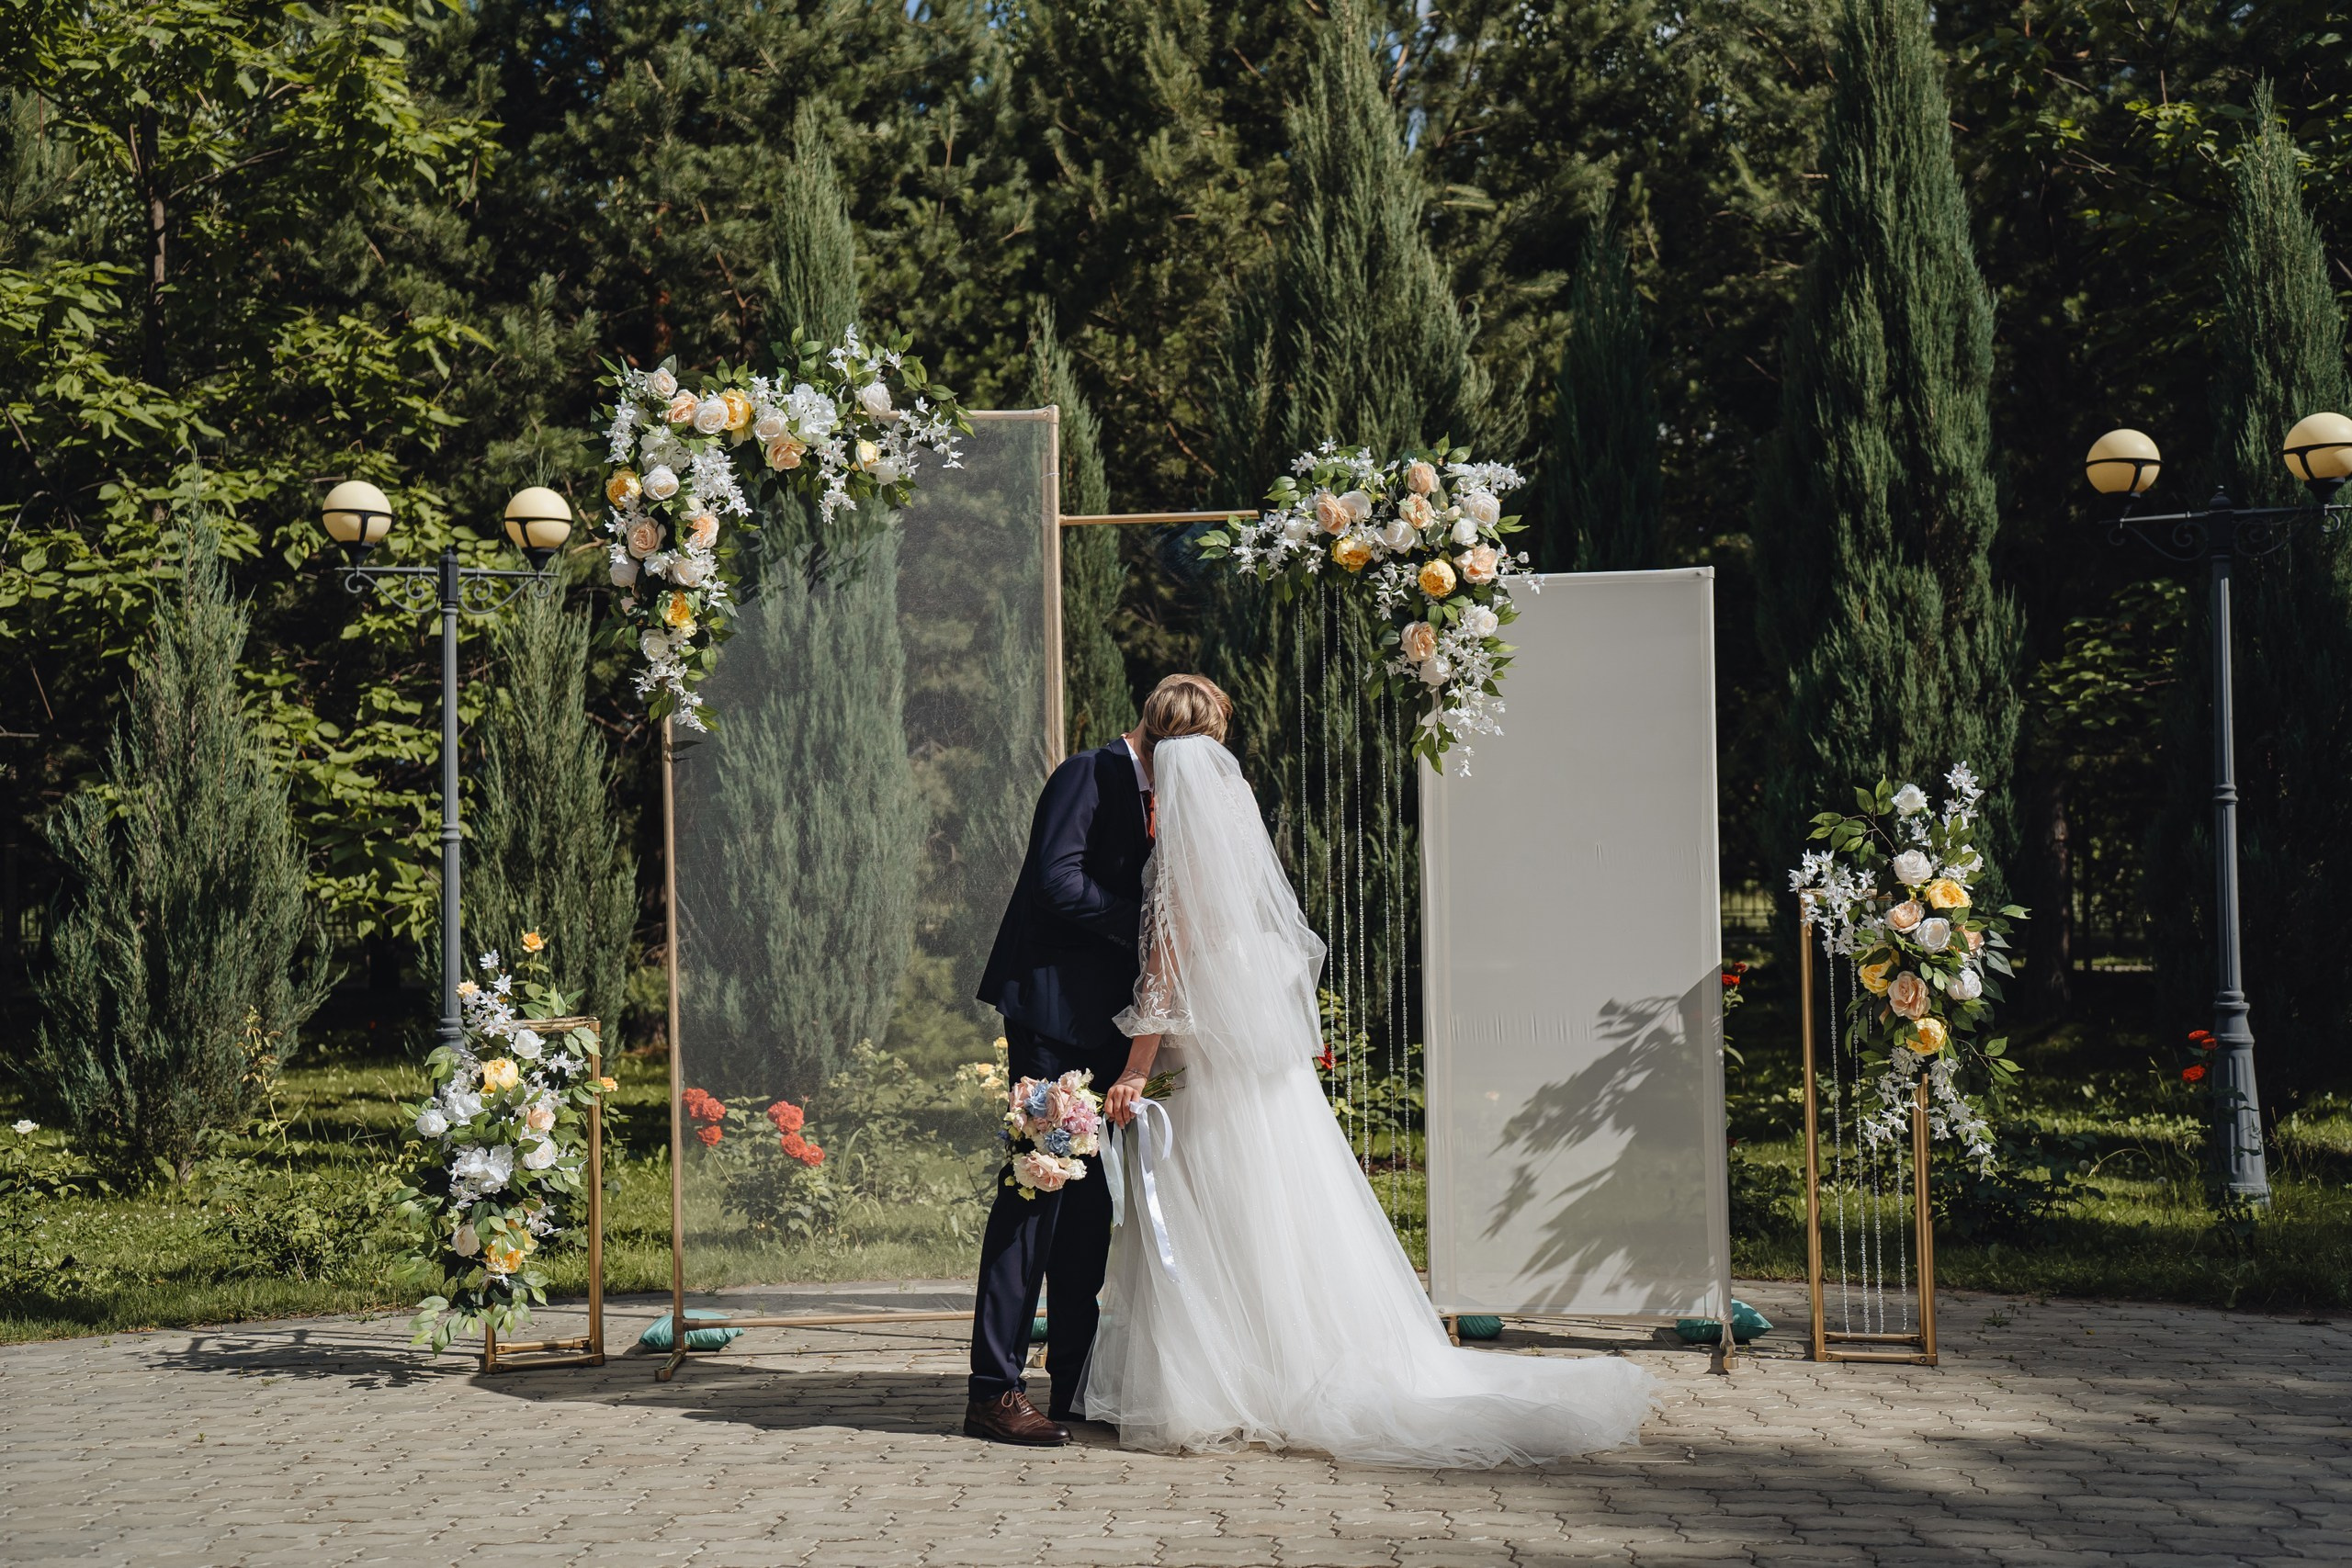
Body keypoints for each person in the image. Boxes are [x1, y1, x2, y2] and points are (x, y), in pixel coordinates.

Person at [1083, 700, 1657, 1466]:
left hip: (1212, 1066)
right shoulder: (1232, 809)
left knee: (1229, 1211)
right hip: (1261, 1066)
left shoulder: (1181, 846)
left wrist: (1133, 1068)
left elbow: (1163, 974)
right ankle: (1288, 1362)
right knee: (1283, 1212)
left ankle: (1234, 1379)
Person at [964, 674, 1228, 1446]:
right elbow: (1057, 882)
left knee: (1086, 1211)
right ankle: (992, 1390)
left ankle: (1074, 1380)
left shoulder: (1169, 794)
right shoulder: (1088, 772)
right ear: (1159, 737)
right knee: (1036, 1190)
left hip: (1108, 1024)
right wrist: (1148, 926)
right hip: (1050, 1017)